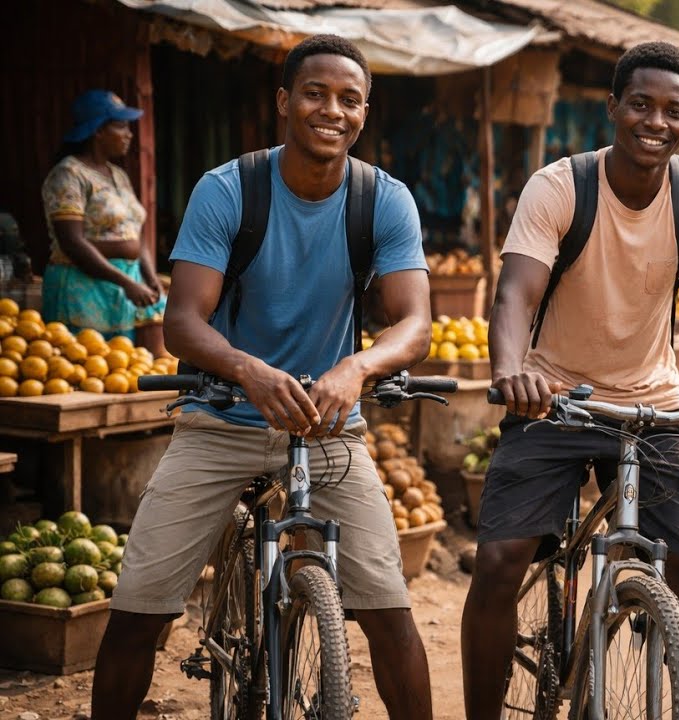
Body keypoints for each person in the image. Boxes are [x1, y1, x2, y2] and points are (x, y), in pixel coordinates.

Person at [91, 35, 436, 719]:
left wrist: (356, 368)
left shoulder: (384, 200)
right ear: (284, 101)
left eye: (348, 99)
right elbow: (182, 322)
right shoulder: (229, 189)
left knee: (390, 612)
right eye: (315, 93)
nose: (330, 110)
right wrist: (248, 372)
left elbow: (414, 324)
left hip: (331, 427)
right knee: (140, 607)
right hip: (221, 419)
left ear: (364, 113)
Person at [460, 41, 679, 720]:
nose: (656, 121)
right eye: (641, 103)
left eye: (674, 110)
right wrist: (510, 372)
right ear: (614, 108)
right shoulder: (559, 187)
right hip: (553, 397)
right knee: (498, 565)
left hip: (654, 404)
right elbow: (515, 296)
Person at [41, 89, 167, 355]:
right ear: (98, 131)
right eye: (121, 126)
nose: (129, 134)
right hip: (83, 286)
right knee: (85, 362)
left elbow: (135, 232)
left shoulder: (118, 175)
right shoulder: (69, 174)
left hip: (124, 286)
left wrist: (149, 275)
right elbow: (72, 242)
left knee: (122, 365)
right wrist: (125, 282)